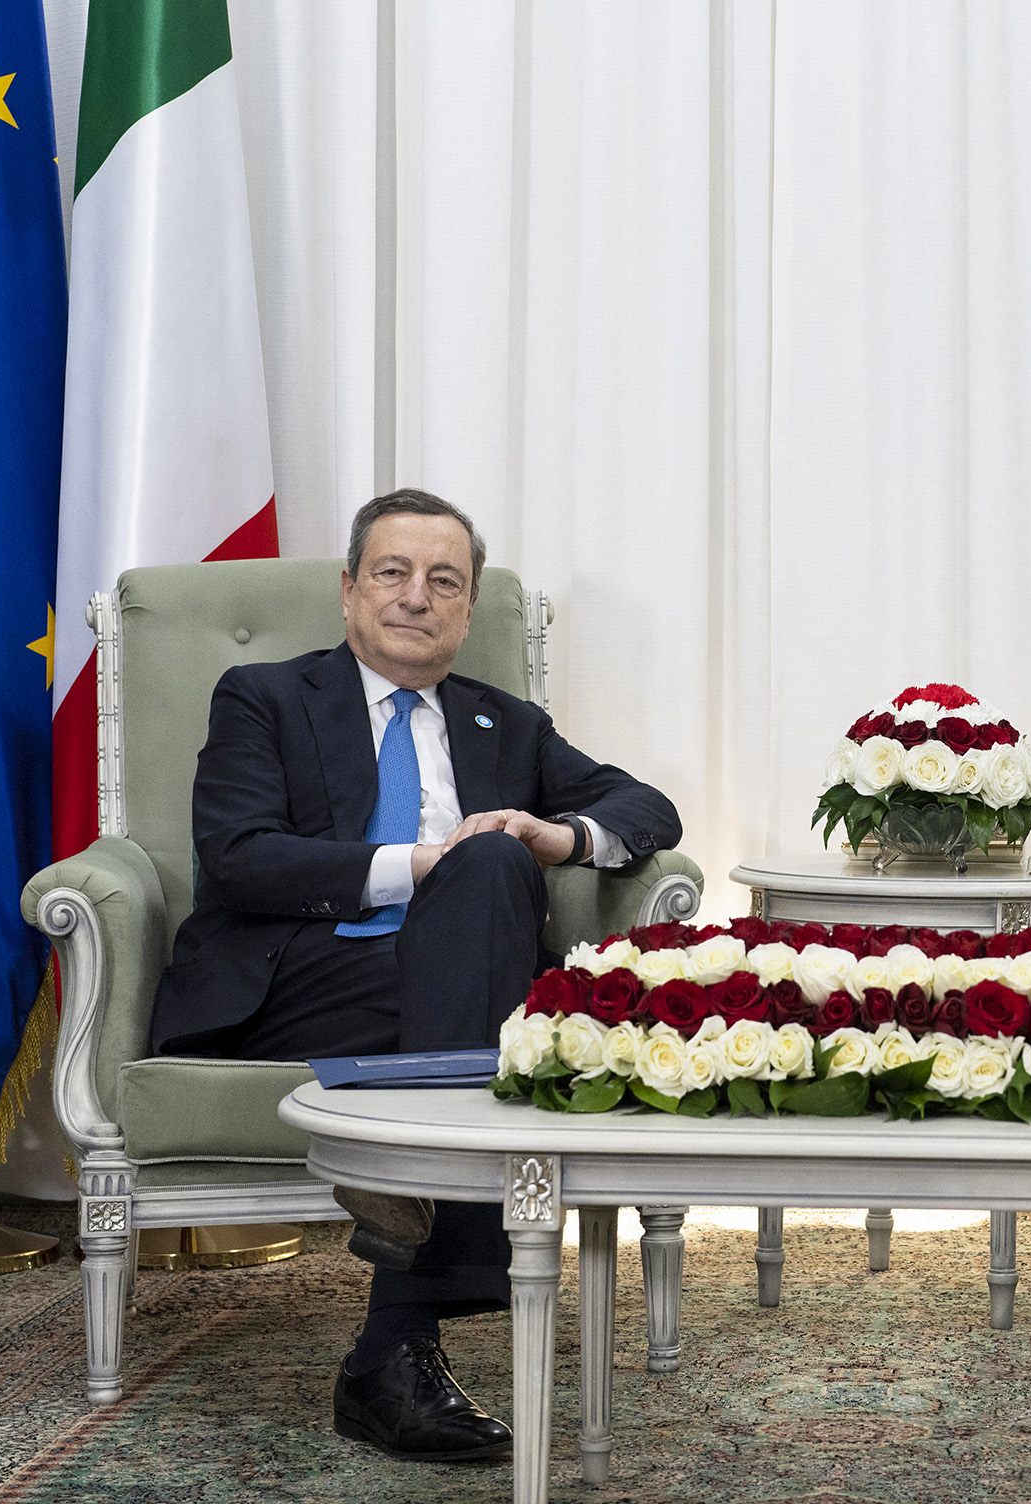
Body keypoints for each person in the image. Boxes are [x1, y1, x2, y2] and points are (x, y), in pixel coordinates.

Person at [149, 487, 682, 1466]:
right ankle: (442, 1296)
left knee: (490, 873)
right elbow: (239, 859)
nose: (416, 597)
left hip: (442, 984)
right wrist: (418, 866)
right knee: (499, 967)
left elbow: (647, 808)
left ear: (468, 611)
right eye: (392, 573)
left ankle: (394, 1343)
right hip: (295, 979)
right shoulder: (265, 697)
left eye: (445, 581)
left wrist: (554, 833)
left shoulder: (506, 726)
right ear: (349, 591)